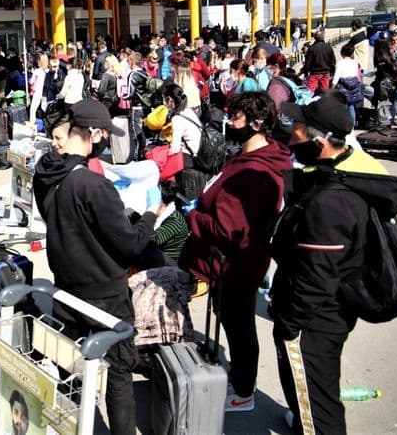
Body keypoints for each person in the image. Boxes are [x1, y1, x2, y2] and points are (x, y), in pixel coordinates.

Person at [32, 98, 167, 435]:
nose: (107, 140)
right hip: (105, 296)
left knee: (70, 368)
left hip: (66, 289)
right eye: (104, 134)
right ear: (91, 134)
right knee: (119, 371)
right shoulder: (93, 185)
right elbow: (132, 244)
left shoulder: (46, 173)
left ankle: (66, 424)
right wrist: (153, 212)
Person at [271, 96, 397, 434]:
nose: (291, 138)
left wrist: (290, 323)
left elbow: (317, 276)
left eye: (296, 132)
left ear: (319, 143)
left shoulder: (331, 202)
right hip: (327, 311)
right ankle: (303, 417)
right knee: (317, 391)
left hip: (314, 320)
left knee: (318, 404)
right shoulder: (339, 171)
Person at [180, 91, 292, 414]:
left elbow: (228, 230)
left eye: (237, 117)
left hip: (235, 265)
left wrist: (193, 217)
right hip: (233, 263)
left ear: (256, 123)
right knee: (234, 321)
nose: (230, 121)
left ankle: (243, 390)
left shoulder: (254, 172)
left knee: (239, 325)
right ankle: (241, 380)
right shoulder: (251, 157)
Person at [332, 43, 364, 125]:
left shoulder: (340, 63)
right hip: (354, 87)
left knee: (342, 108)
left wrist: (332, 88)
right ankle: (352, 125)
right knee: (351, 107)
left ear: (342, 53)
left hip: (343, 88)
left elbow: (336, 77)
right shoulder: (355, 63)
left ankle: (342, 124)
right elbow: (358, 76)